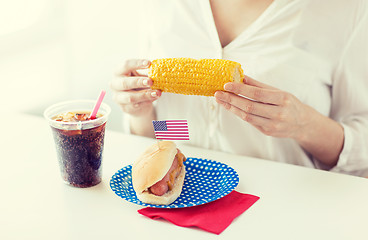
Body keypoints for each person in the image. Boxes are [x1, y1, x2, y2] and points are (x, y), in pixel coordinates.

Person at [110, 0, 368, 177]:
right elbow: (175, 128)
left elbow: (362, 146)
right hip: (176, 196)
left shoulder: (346, 11)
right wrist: (140, 115)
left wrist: (305, 125)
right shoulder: (165, 7)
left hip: (281, 206)